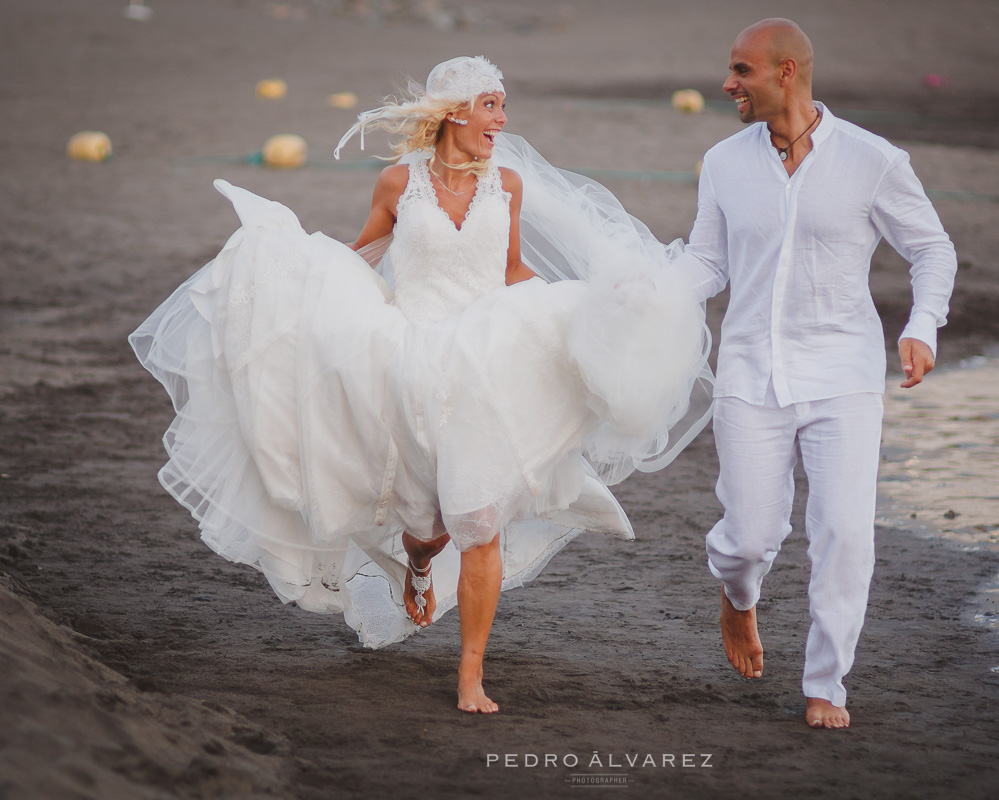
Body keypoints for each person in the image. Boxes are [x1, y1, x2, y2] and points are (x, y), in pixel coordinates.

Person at [130, 56, 712, 714]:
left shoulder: (508, 186)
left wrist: (585, 310)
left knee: (477, 518)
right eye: (491, 104)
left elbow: (514, 269)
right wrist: (299, 290)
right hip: (413, 359)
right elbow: (362, 258)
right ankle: (419, 563)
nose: (502, 118)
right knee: (427, 524)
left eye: (502, 104)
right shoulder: (396, 185)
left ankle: (471, 671)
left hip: (490, 358)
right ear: (455, 111)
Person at [669, 20, 957, 729]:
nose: (728, 84)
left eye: (742, 71)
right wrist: (648, 297)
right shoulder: (724, 163)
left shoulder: (873, 160)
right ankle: (738, 599)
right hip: (748, 370)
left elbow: (932, 249)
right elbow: (708, 263)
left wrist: (922, 327)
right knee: (747, 538)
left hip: (844, 373)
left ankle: (827, 683)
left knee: (845, 532)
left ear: (787, 71)